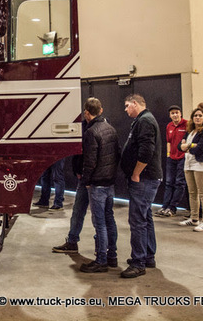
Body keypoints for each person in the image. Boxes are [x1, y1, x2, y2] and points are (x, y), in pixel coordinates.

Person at [120, 94, 162, 278]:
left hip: (144, 179)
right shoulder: (143, 120)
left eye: (127, 105)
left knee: (137, 220)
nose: (125, 109)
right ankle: (148, 256)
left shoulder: (145, 121)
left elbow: (146, 151)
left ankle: (138, 262)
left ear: (135, 103)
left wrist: (136, 172)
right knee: (145, 217)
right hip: (147, 178)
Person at [78, 98, 120, 273]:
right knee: (109, 219)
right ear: (100, 110)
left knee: (99, 223)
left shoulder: (91, 132)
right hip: (109, 183)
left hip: (97, 184)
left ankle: (101, 259)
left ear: (87, 113)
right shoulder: (111, 129)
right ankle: (112, 256)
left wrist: (86, 181)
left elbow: (90, 161)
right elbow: (117, 154)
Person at [178, 108, 203, 231]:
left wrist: (187, 147)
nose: (197, 117)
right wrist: (188, 146)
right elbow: (179, 145)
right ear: (192, 118)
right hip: (188, 164)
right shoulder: (190, 131)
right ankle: (194, 218)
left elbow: (201, 148)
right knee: (192, 193)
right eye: (195, 115)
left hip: (201, 165)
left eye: (200, 115)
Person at [157, 105, 188, 217]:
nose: (175, 115)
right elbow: (168, 142)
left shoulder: (187, 124)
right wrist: (169, 155)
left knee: (179, 183)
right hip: (172, 158)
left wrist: (185, 154)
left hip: (183, 158)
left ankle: (172, 207)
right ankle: (165, 206)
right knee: (169, 182)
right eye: (172, 113)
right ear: (170, 116)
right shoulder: (169, 126)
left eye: (176, 112)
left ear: (180, 113)